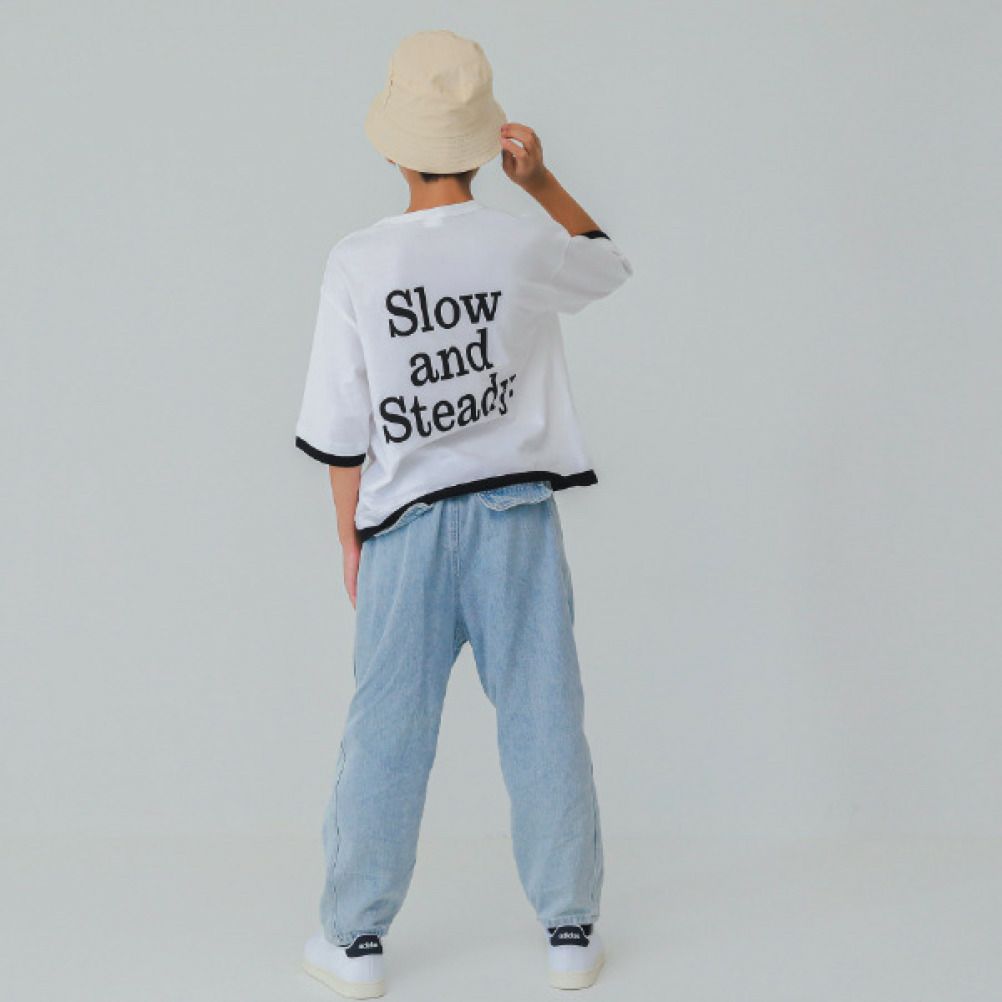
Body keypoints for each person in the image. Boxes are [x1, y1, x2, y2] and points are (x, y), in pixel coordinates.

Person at [296, 29, 633, 998]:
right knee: (542, 714)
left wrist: (348, 536)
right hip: (516, 517)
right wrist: (543, 184)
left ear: (394, 150)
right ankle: (570, 930)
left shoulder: (358, 262)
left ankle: (356, 940)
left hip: (405, 525)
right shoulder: (524, 243)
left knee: (386, 729)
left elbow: (342, 424)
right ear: (486, 145)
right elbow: (606, 265)